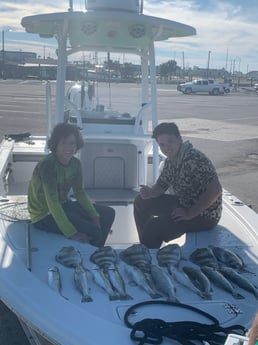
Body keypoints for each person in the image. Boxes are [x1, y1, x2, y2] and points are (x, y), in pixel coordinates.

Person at [134, 122, 222, 248]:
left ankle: (149, 258)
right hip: (183, 203)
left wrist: (189, 213)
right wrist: (150, 193)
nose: (166, 148)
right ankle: (146, 245)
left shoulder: (194, 159)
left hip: (204, 215)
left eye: (170, 141)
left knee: (154, 227)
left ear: (180, 139)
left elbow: (215, 189)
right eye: (162, 144)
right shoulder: (171, 161)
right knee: (140, 201)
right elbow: (162, 185)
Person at [28, 123, 115, 247]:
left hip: (63, 204)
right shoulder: (48, 166)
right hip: (44, 215)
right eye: (63, 143)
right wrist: (72, 233)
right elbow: (53, 203)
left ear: (77, 144)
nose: (68, 147)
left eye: (72, 143)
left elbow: (79, 192)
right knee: (95, 232)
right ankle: (93, 255)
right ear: (55, 144)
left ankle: (95, 250)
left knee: (108, 214)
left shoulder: (75, 164)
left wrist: (94, 214)